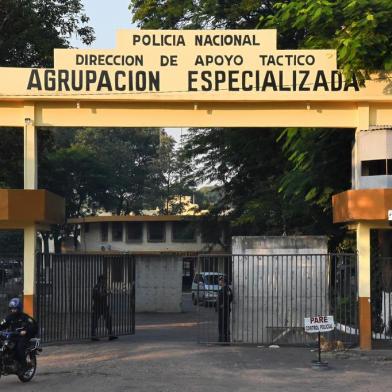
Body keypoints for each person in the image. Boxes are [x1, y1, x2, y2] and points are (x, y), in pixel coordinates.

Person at [0, 298, 38, 372]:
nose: (13, 310)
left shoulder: (25, 317)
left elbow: (34, 326)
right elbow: (2, 325)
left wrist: (26, 331)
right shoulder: (9, 317)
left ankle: (23, 366)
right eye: (12, 309)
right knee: (4, 345)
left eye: (15, 309)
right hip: (13, 336)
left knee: (19, 348)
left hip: (22, 337)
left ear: (19, 308)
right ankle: (6, 361)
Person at [91, 275, 117, 341]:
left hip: (104, 307)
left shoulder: (103, 287)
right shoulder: (96, 287)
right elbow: (98, 296)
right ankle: (93, 335)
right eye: (104, 280)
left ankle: (110, 334)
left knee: (108, 320)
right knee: (94, 321)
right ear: (101, 280)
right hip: (98, 307)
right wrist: (107, 294)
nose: (105, 281)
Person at [217, 275, 232, 343]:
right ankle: (221, 338)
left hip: (225, 310)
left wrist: (224, 305)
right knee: (220, 324)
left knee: (225, 325)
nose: (219, 281)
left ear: (223, 281)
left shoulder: (227, 289)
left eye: (220, 280)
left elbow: (230, 298)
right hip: (221, 310)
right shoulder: (221, 289)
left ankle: (225, 339)